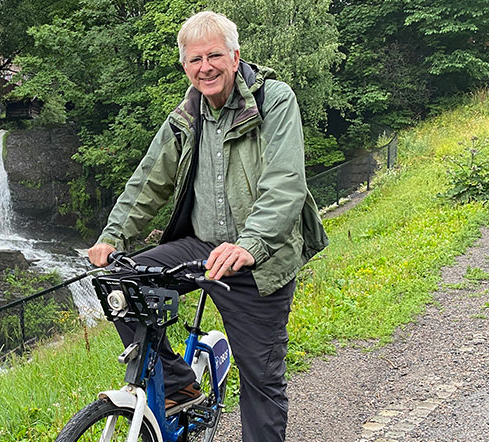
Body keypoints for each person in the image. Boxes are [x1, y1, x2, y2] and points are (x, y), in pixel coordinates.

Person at [86, 11, 328, 442]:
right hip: (201, 245)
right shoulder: (188, 113)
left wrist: (249, 245)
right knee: (120, 282)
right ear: (185, 66)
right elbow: (148, 180)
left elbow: (286, 182)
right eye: (195, 60)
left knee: (261, 382)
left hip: (260, 258)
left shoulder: (274, 100)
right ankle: (181, 384)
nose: (206, 67)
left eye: (214, 55)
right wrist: (112, 235)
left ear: (235, 57)